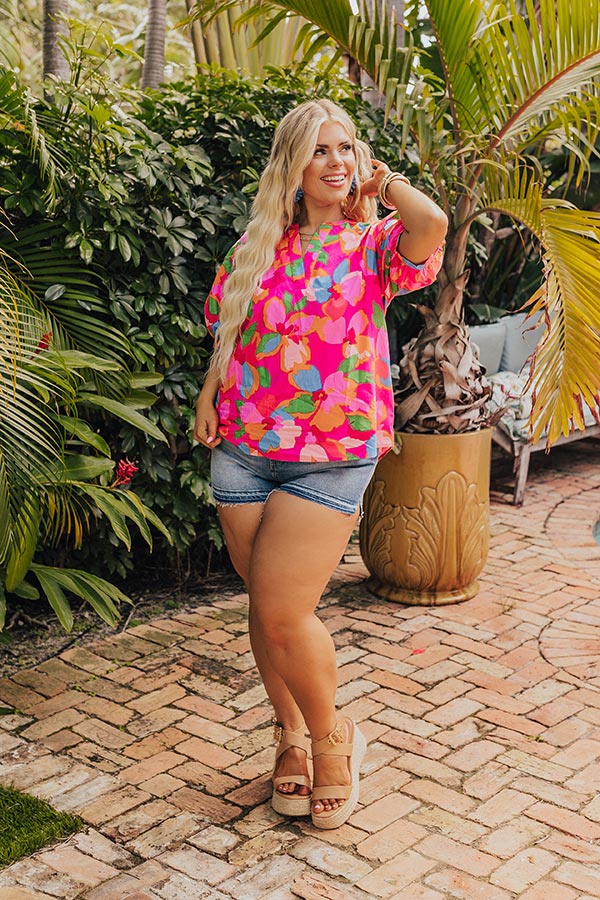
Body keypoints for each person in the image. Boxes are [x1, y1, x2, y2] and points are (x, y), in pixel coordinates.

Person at [194, 99, 447, 830]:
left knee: (283, 612)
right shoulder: (257, 244)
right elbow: (229, 329)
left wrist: (383, 181)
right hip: (243, 450)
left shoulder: (373, 244)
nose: (335, 162)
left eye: (345, 148)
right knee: (265, 608)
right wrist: (209, 391)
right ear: (293, 165)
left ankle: (335, 738)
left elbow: (432, 225)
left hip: (330, 458)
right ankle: (290, 737)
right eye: (319, 150)